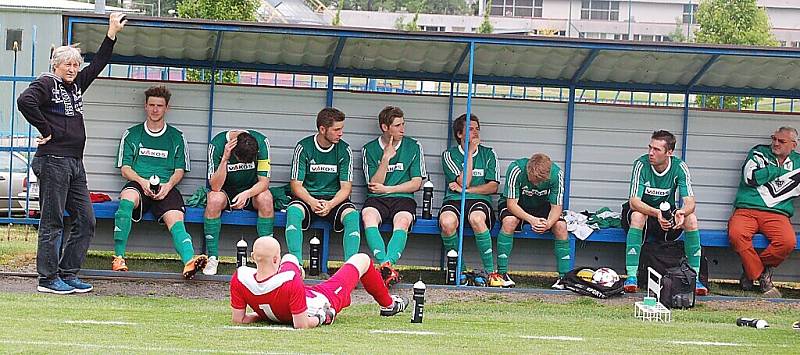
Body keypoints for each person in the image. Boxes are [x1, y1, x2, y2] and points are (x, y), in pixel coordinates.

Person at [17, 13, 126, 294]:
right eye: (68, 63)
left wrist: (111, 32)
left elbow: (99, 63)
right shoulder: (47, 82)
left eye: (76, 64)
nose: (73, 68)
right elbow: (24, 101)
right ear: (56, 65)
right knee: (53, 220)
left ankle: (67, 273)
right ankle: (48, 279)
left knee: (86, 220)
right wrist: (46, 128)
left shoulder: (76, 84)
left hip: (75, 163)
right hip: (53, 160)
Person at [111, 85, 207, 279]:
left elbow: (180, 170)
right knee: (127, 199)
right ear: (145, 106)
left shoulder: (176, 137)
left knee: (176, 220)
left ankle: (189, 261)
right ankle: (119, 257)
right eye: (152, 105)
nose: (155, 109)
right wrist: (142, 181)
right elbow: (125, 169)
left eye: (159, 106)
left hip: (166, 187)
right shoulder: (132, 134)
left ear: (166, 108)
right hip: (140, 183)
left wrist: (168, 186)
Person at [230, 236, 407, 328]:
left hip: (301, 295)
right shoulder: (289, 277)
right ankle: (389, 304)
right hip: (321, 299)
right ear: (277, 259)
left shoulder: (240, 278)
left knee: (292, 261)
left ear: (253, 257)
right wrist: (322, 316)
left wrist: (263, 314)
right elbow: (302, 324)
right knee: (362, 259)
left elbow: (239, 319)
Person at [623, 130, 706, 295]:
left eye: (656, 149)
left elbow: (690, 202)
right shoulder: (641, 164)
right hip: (644, 214)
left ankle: (694, 278)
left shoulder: (679, 167)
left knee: (691, 219)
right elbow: (634, 202)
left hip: (666, 215)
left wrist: (681, 212)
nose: (650, 153)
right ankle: (631, 276)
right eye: (650, 147)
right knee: (638, 215)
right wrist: (656, 213)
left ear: (669, 152)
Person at [728, 127, 800, 298]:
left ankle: (751, 269)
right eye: (774, 139)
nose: (775, 143)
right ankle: (761, 276)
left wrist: (767, 175)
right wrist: (778, 172)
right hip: (747, 209)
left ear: (793, 145)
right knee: (736, 234)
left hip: (777, 213)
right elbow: (750, 177)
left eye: (781, 141)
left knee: (787, 241)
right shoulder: (759, 152)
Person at [361, 106, 427, 287]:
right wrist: (386, 159)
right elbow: (374, 185)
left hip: (403, 197)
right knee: (368, 216)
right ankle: (385, 264)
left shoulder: (413, 146)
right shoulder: (369, 149)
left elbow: (416, 183)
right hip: (377, 198)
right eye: (397, 125)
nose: (402, 129)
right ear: (385, 127)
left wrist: (388, 189)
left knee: (403, 221)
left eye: (403, 124)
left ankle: (387, 264)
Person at [287, 108, 360, 264]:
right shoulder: (303, 147)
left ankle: (351, 269)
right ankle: (297, 264)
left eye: (342, 129)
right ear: (322, 129)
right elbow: (296, 185)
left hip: (334, 200)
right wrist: (312, 202)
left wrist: (330, 204)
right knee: (293, 211)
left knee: (352, 215)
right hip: (308, 198)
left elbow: (346, 188)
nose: (341, 133)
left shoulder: (345, 150)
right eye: (337, 129)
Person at [438, 113, 503, 287]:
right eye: (470, 129)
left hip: (480, 201)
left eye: (477, 129)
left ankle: (491, 272)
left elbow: (493, 187)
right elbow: (464, 180)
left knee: (477, 218)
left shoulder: (489, 154)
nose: (475, 133)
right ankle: (460, 270)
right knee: (447, 222)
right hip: (454, 200)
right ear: (460, 134)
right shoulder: (449, 155)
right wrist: (469, 155)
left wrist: (466, 190)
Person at [203, 130, 274, 275]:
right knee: (214, 198)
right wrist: (224, 159)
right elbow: (215, 186)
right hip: (226, 191)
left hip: (251, 191)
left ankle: (267, 258)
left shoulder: (262, 142)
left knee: (266, 198)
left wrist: (246, 194)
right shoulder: (216, 144)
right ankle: (212, 258)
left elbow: (264, 182)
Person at [497, 153, 567, 289]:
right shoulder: (516, 169)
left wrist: (548, 224)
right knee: (509, 221)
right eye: (534, 179)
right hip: (518, 205)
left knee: (561, 226)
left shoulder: (556, 174)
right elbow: (511, 204)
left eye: (540, 181)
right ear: (529, 170)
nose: (536, 184)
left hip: (542, 206)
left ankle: (564, 278)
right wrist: (532, 220)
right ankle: (502, 274)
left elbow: (556, 207)